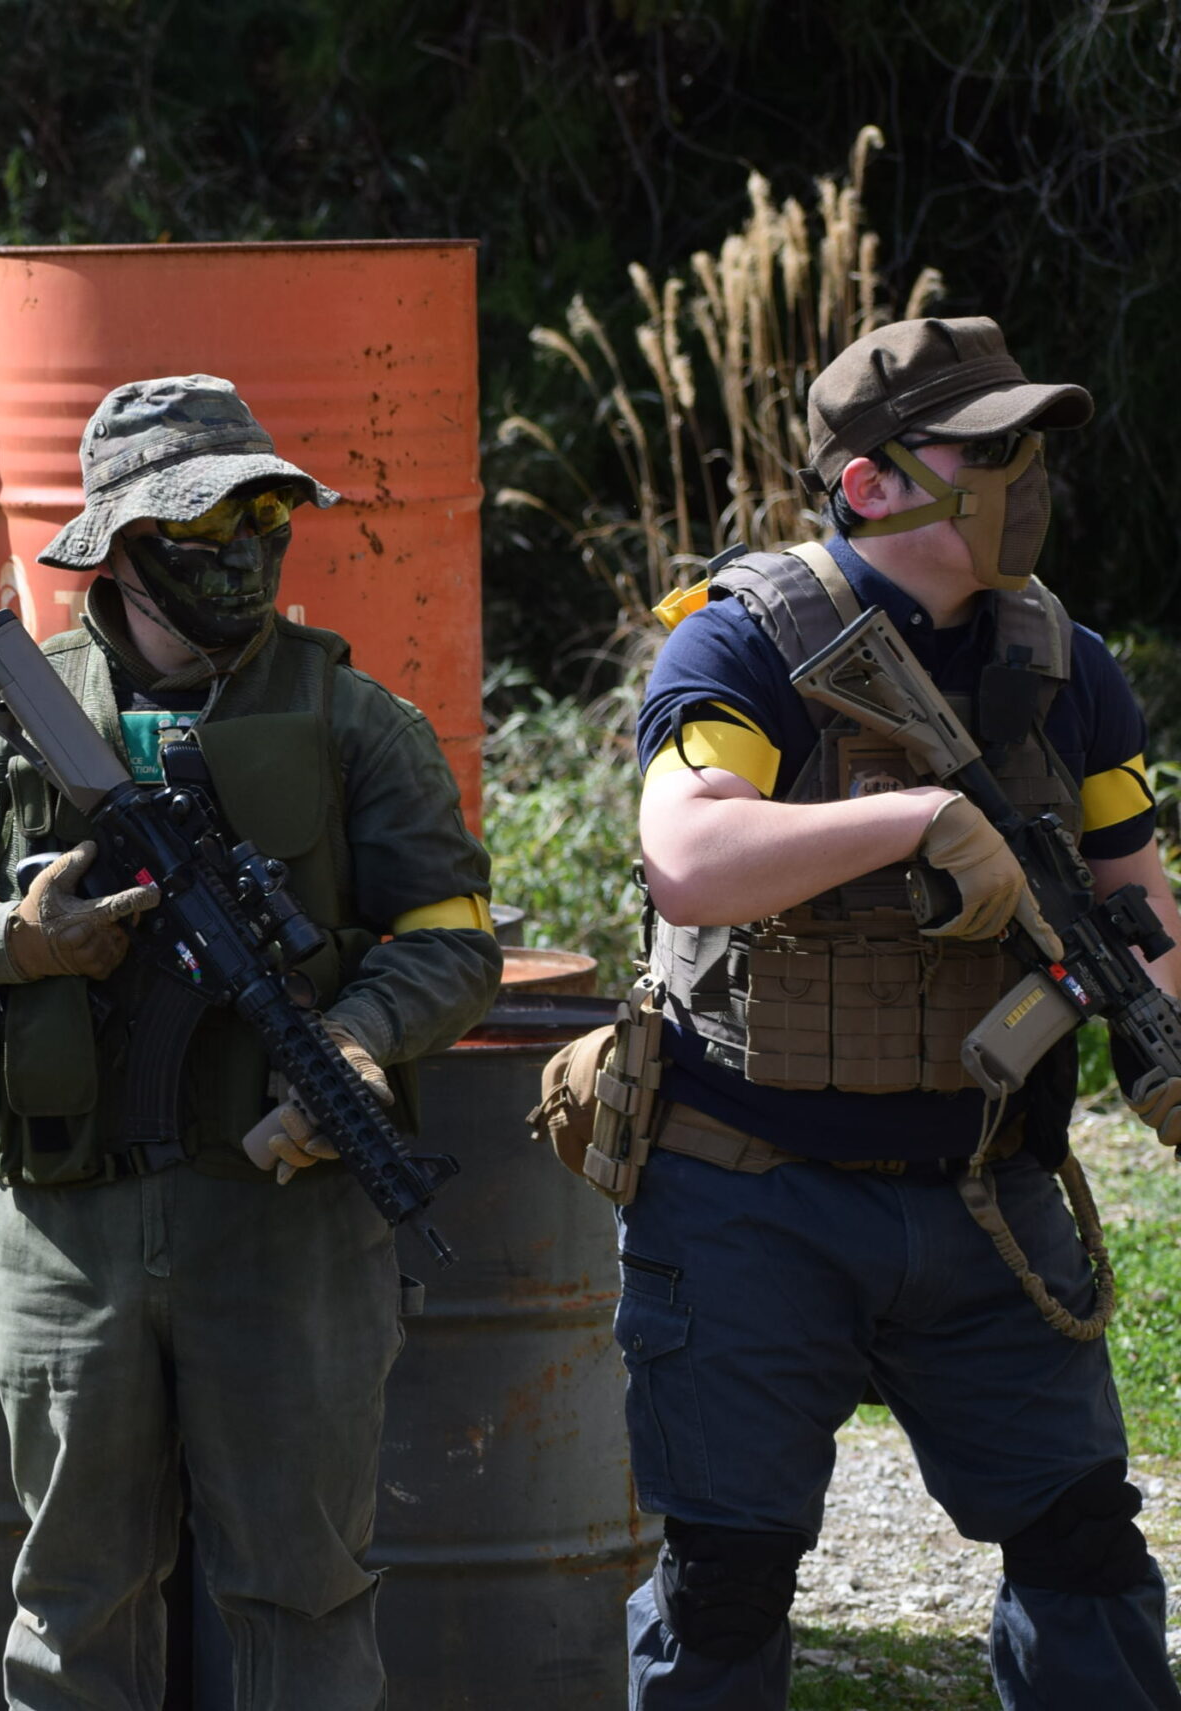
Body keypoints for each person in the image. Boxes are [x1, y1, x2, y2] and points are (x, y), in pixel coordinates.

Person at [0, 375, 502, 1711]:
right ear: (124, 546)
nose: (247, 551)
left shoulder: (354, 721)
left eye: (266, 517)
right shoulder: (21, 720)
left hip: (286, 1224)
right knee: (75, 1601)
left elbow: (452, 940)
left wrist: (358, 1040)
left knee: (304, 1588)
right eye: (206, 524)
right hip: (68, 1225)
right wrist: (16, 940)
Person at [619, 316, 1181, 1709]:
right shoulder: (744, 643)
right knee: (724, 1584)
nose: (1023, 478)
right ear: (869, 483)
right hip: (752, 1192)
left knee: (1087, 1552)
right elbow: (688, 856)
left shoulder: (1068, 664)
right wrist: (917, 817)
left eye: (1030, 447)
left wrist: (1165, 1051)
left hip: (988, 1187)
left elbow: (1140, 900)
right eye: (986, 451)